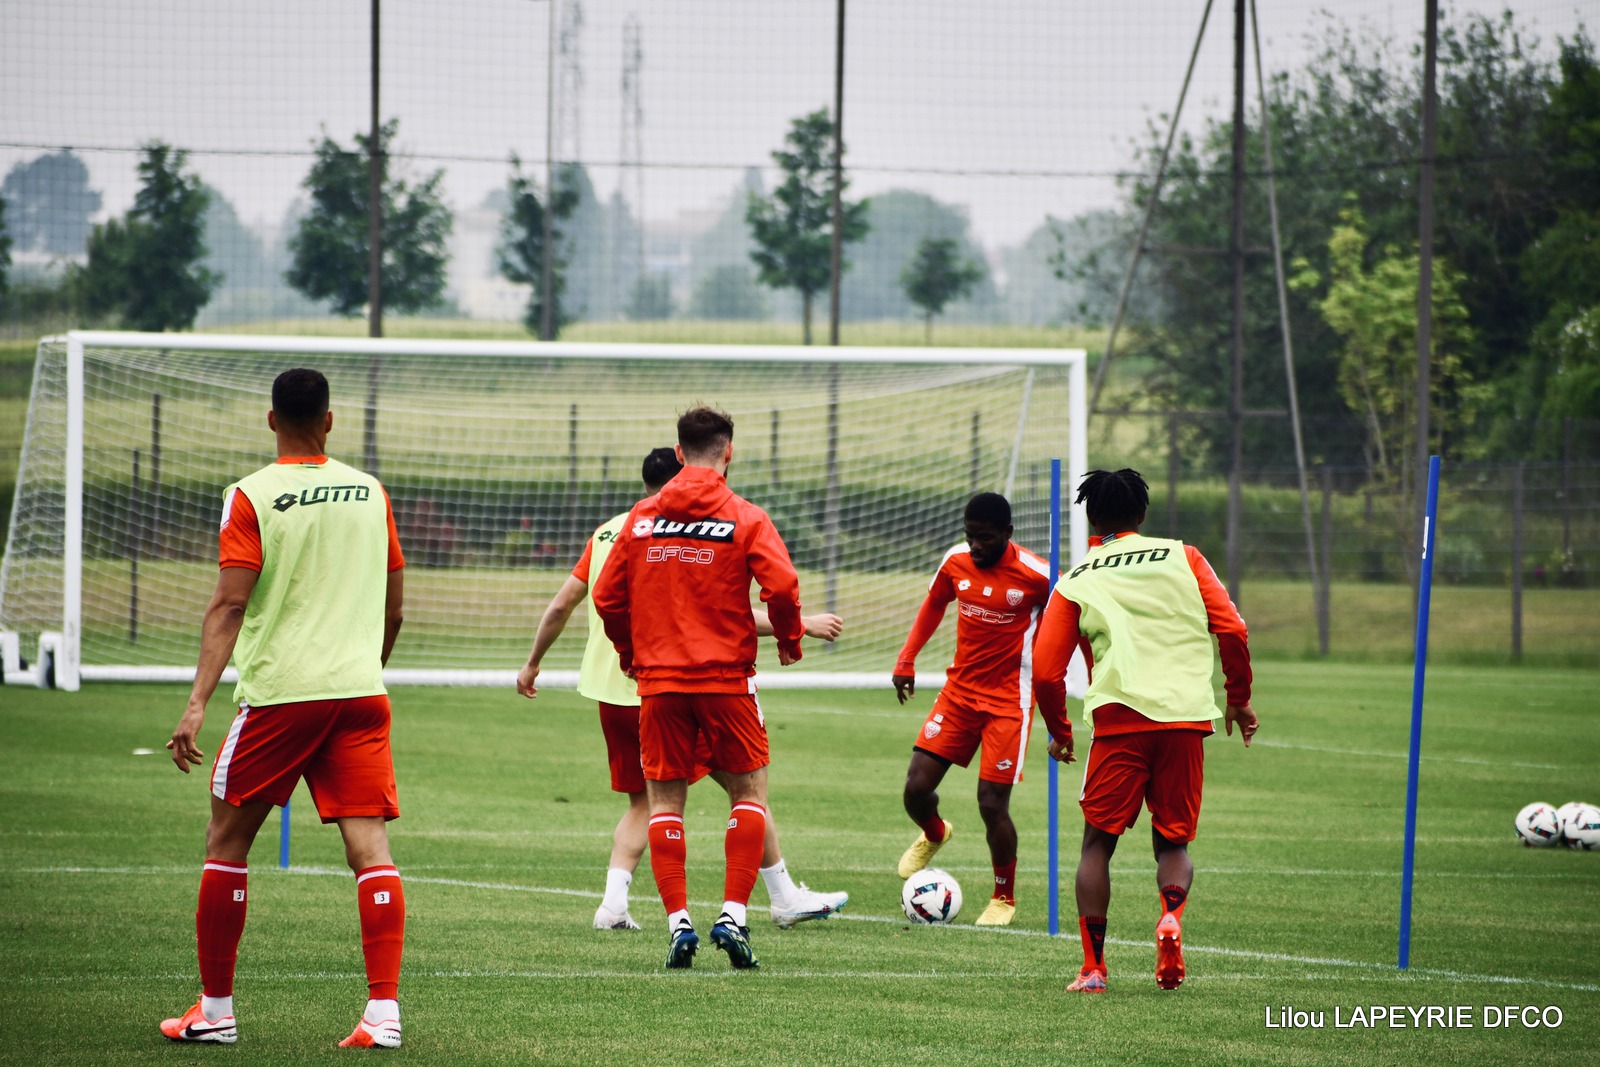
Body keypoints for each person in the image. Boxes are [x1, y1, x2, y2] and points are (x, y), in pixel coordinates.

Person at [162, 368, 409, 1048]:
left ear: (272, 420)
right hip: (361, 692)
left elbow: (230, 603)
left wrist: (196, 703)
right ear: (330, 420)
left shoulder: (251, 494)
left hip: (282, 696)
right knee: (371, 849)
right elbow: (395, 608)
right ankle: (382, 1014)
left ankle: (215, 1012)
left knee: (225, 841)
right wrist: (365, 667)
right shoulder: (371, 490)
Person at [516, 446, 849, 932]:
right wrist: (798, 627)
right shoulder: (688, 524)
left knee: (647, 803)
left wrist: (532, 663)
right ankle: (779, 898)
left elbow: (566, 603)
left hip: (616, 691)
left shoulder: (613, 529)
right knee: (747, 790)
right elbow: (714, 615)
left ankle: (615, 905)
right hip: (676, 682)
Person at [592, 407, 804, 971]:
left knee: (664, 802)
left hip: (660, 683)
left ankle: (678, 923)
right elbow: (783, 585)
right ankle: (732, 915)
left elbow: (607, 598)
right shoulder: (744, 516)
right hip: (725, 681)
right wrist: (789, 639)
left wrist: (630, 652)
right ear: (728, 452)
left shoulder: (642, 519)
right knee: (749, 793)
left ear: (680, 453)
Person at [1032, 468, 1258, 994]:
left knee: (1097, 844)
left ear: (1092, 518)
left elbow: (1045, 671)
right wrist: (1239, 698)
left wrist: (1061, 732)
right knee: (1173, 842)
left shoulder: (1077, 578)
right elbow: (1233, 628)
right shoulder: (1185, 556)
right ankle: (1170, 916)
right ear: (1141, 514)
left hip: (1119, 720)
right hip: (1185, 718)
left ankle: (1093, 968)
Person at [891, 492, 1053, 927]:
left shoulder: (1039, 575)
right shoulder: (956, 561)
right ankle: (935, 832)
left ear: (1007, 533)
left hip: (1009, 702)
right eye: (970, 537)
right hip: (959, 694)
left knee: (991, 803)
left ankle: (1003, 898)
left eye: (985, 538)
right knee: (915, 788)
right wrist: (906, 659)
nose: (975, 546)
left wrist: (1058, 693)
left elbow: (1069, 621)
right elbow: (934, 604)